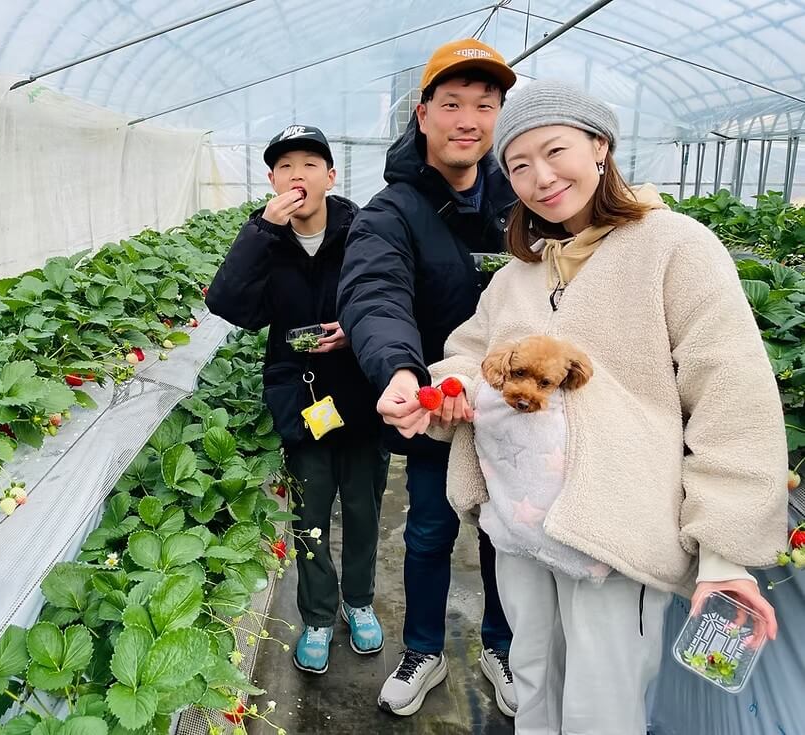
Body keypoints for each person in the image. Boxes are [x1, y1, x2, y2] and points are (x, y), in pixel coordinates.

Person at [407, 79, 786, 734]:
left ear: (600, 147)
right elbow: (468, 359)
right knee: (532, 676)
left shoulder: (674, 247)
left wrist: (724, 554)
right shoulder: (518, 276)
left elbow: (732, 397)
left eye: (555, 151)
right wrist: (440, 395)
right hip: (523, 531)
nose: (539, 178)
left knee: (600, 704)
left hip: (617, 532)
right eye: (518, 166)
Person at [337, 40, 518, 717]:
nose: (467, 118)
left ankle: (503, 644)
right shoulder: (393, 210)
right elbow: (375, 292)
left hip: (514, 408)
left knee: (509, 532)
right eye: (452, 103)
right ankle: (423, 648)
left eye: (484, 104)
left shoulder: (525, 202)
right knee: (428, 531)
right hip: (434, 407)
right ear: (422, 114)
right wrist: (400, 370)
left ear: (500, 114)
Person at [206, 125, 390, 676]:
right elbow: (229, 305)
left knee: (362, 509)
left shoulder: (363, 232)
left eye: (310, 164)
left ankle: (357, 602)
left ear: (331, 176)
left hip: (359, 394)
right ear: (271, 180)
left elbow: (392, 297)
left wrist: (356, 334)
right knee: (310, 517)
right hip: (301, 398)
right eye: (285, 167)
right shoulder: (268, 241)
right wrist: (262, 230)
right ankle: (316, 616)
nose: (297, 175)